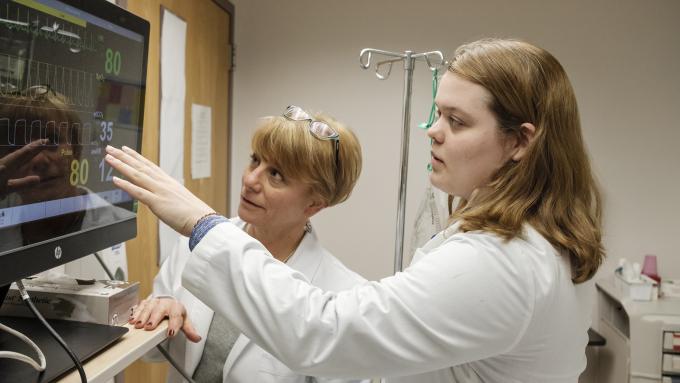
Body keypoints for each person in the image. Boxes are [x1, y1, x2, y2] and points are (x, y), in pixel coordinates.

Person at [105, 38, 605, 383]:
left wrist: (200, 221)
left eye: (456, 120)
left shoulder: (503, 259)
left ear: (519, 142)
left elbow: (322, 329)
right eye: (437, 114)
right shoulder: (528, 246)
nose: (432, 130)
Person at [133, 107, 369, 383]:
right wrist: (161, 314)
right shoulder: (199, 242)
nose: (250, 180)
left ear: (314, 204)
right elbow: (151, 354)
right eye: (255, 161)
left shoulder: (341, 296)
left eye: (276, 175)